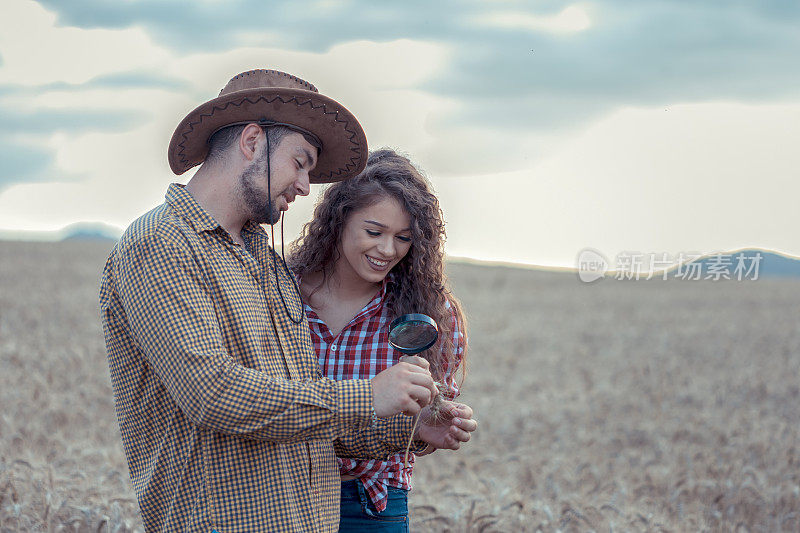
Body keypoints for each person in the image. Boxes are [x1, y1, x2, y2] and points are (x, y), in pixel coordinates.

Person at [98, 70, 475, 532]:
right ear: (253, 142)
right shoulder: (161, 243)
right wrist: (369, 395)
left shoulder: (263, 260)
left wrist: (408, 430)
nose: (304, 185)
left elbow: (297, 411)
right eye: (300, 162)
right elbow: (213, 393)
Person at [290, 148, 474, 531]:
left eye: (403, 238)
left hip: (371, 505)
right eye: (374, 232)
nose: (388, 250)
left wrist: (434, 425)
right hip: (279, 498)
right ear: (339, 221)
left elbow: (423, 424)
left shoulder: (432, 316)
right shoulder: (279, 292)